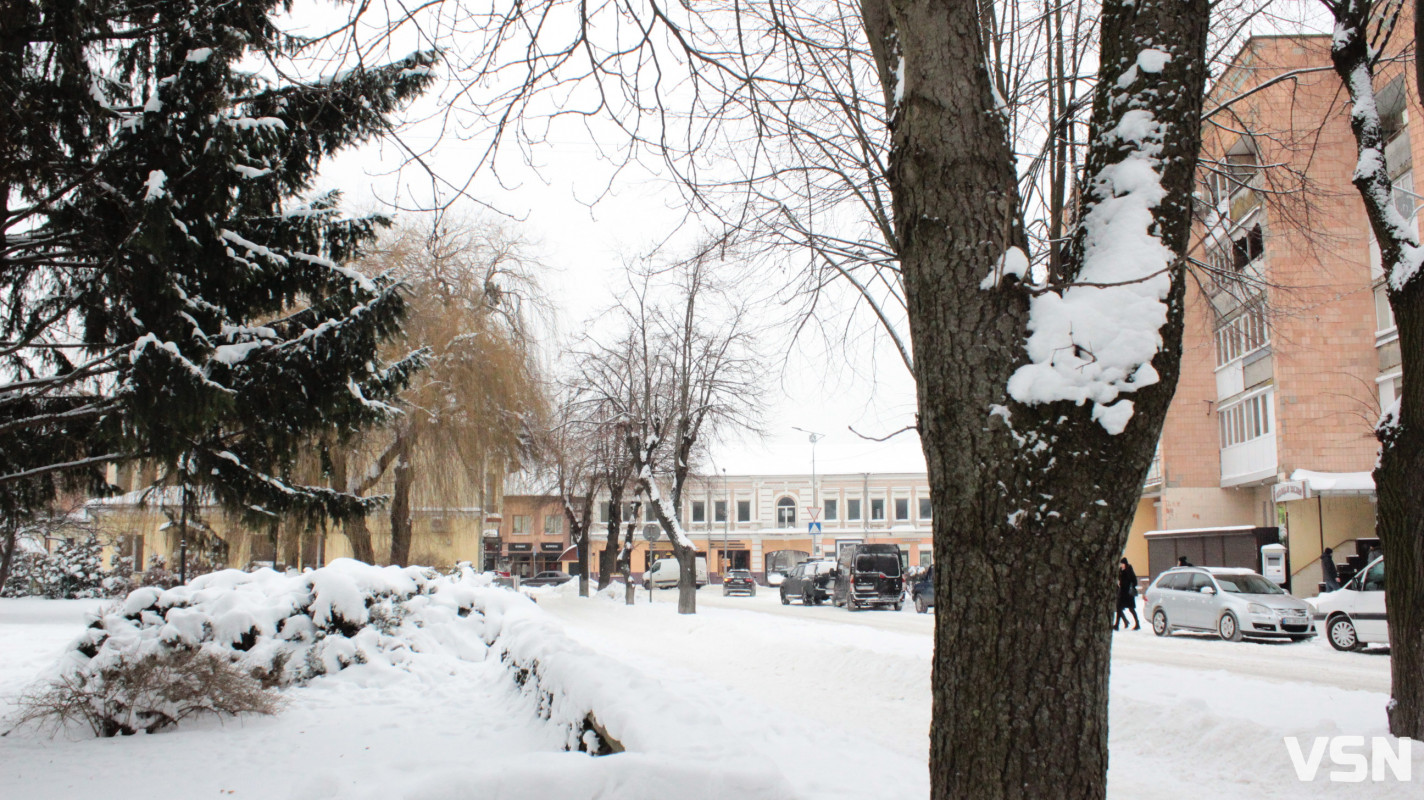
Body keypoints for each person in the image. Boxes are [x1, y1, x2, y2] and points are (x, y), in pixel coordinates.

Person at [1115, 558, 1140, 630]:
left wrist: (1127, 585)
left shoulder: (1129, 570)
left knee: (1131, 609)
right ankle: (1117, 625)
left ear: (1125, 564)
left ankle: (1137, 624)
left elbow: (1134, 581)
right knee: (1119, 608)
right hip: (1122, 593)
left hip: (1128, 594)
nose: (1121, 565)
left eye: (1122, 564)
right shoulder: (1121, 570)